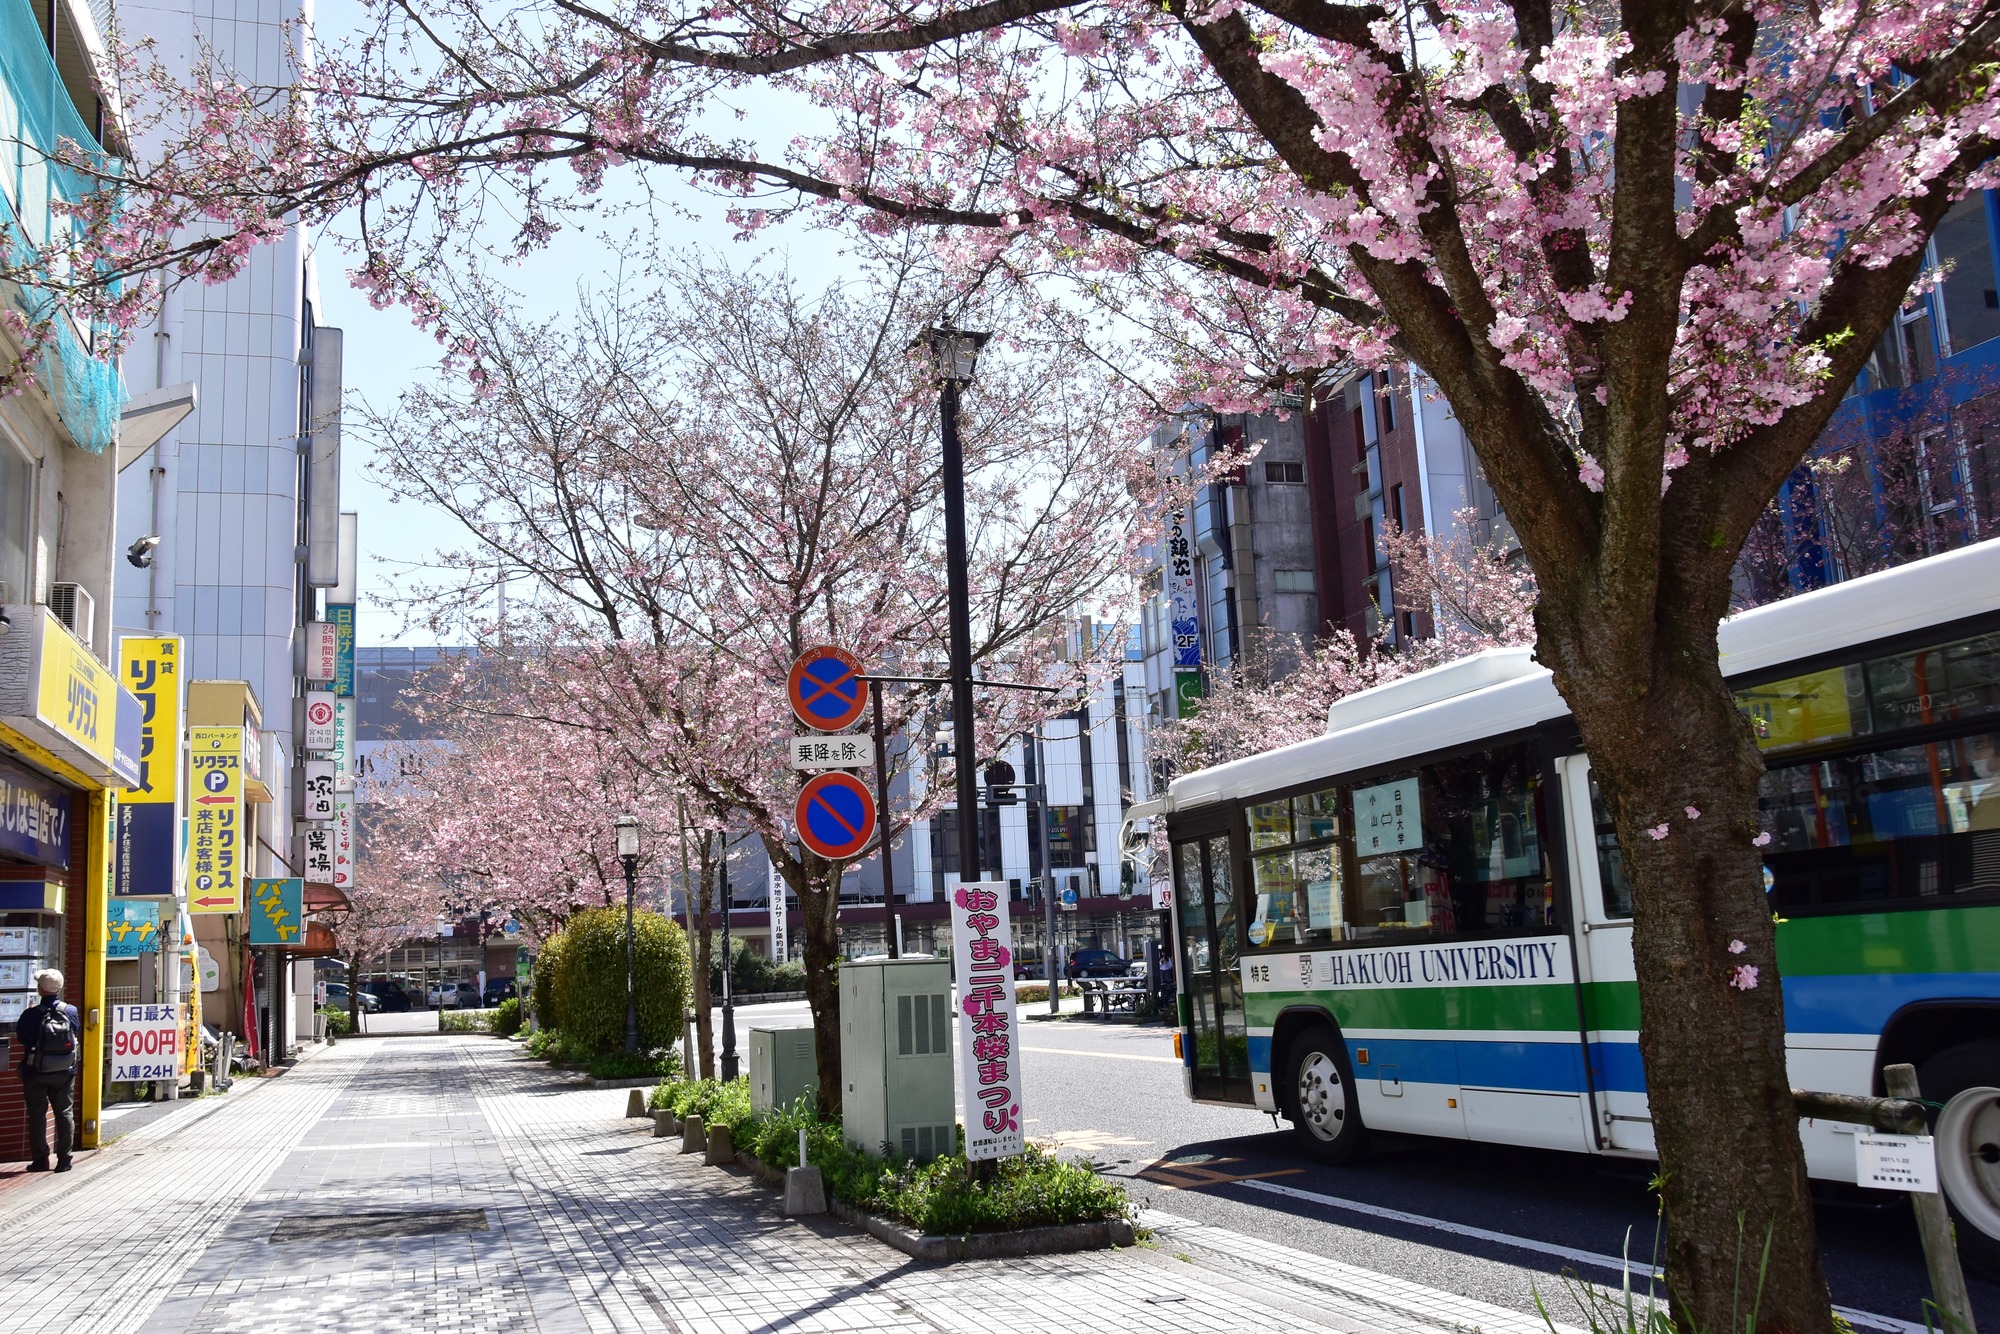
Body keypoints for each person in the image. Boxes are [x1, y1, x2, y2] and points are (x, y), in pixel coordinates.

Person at [15, 969, 81, 1172]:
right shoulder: (70, 1011)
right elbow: (76, 1031)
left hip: (36, 1071)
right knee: (65, 1112)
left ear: (41, 989)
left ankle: (41, 1159)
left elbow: (22, 1038)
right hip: (64, 1071)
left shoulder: (31, 1014)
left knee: (37, 1114)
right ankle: (64, 1159)